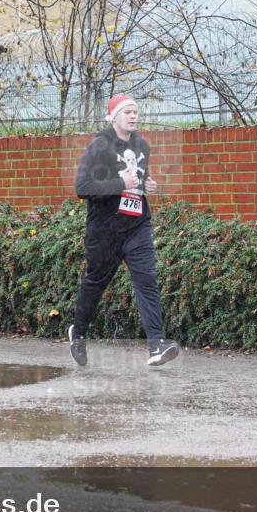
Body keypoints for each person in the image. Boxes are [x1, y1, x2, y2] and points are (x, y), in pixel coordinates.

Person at [68, 95, 180, 367]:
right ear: (114, 116)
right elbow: (82, 188)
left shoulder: (142, 145)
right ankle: (78, 332)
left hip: (136, 226)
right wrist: (120, 182)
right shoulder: (99, 147)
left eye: (135, 112)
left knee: (147, 280)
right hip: (105, 230)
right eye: (127, 112)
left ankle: (156, 345)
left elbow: (139, 178)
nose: (133, 116)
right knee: (95, 283)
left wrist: (147, 185)